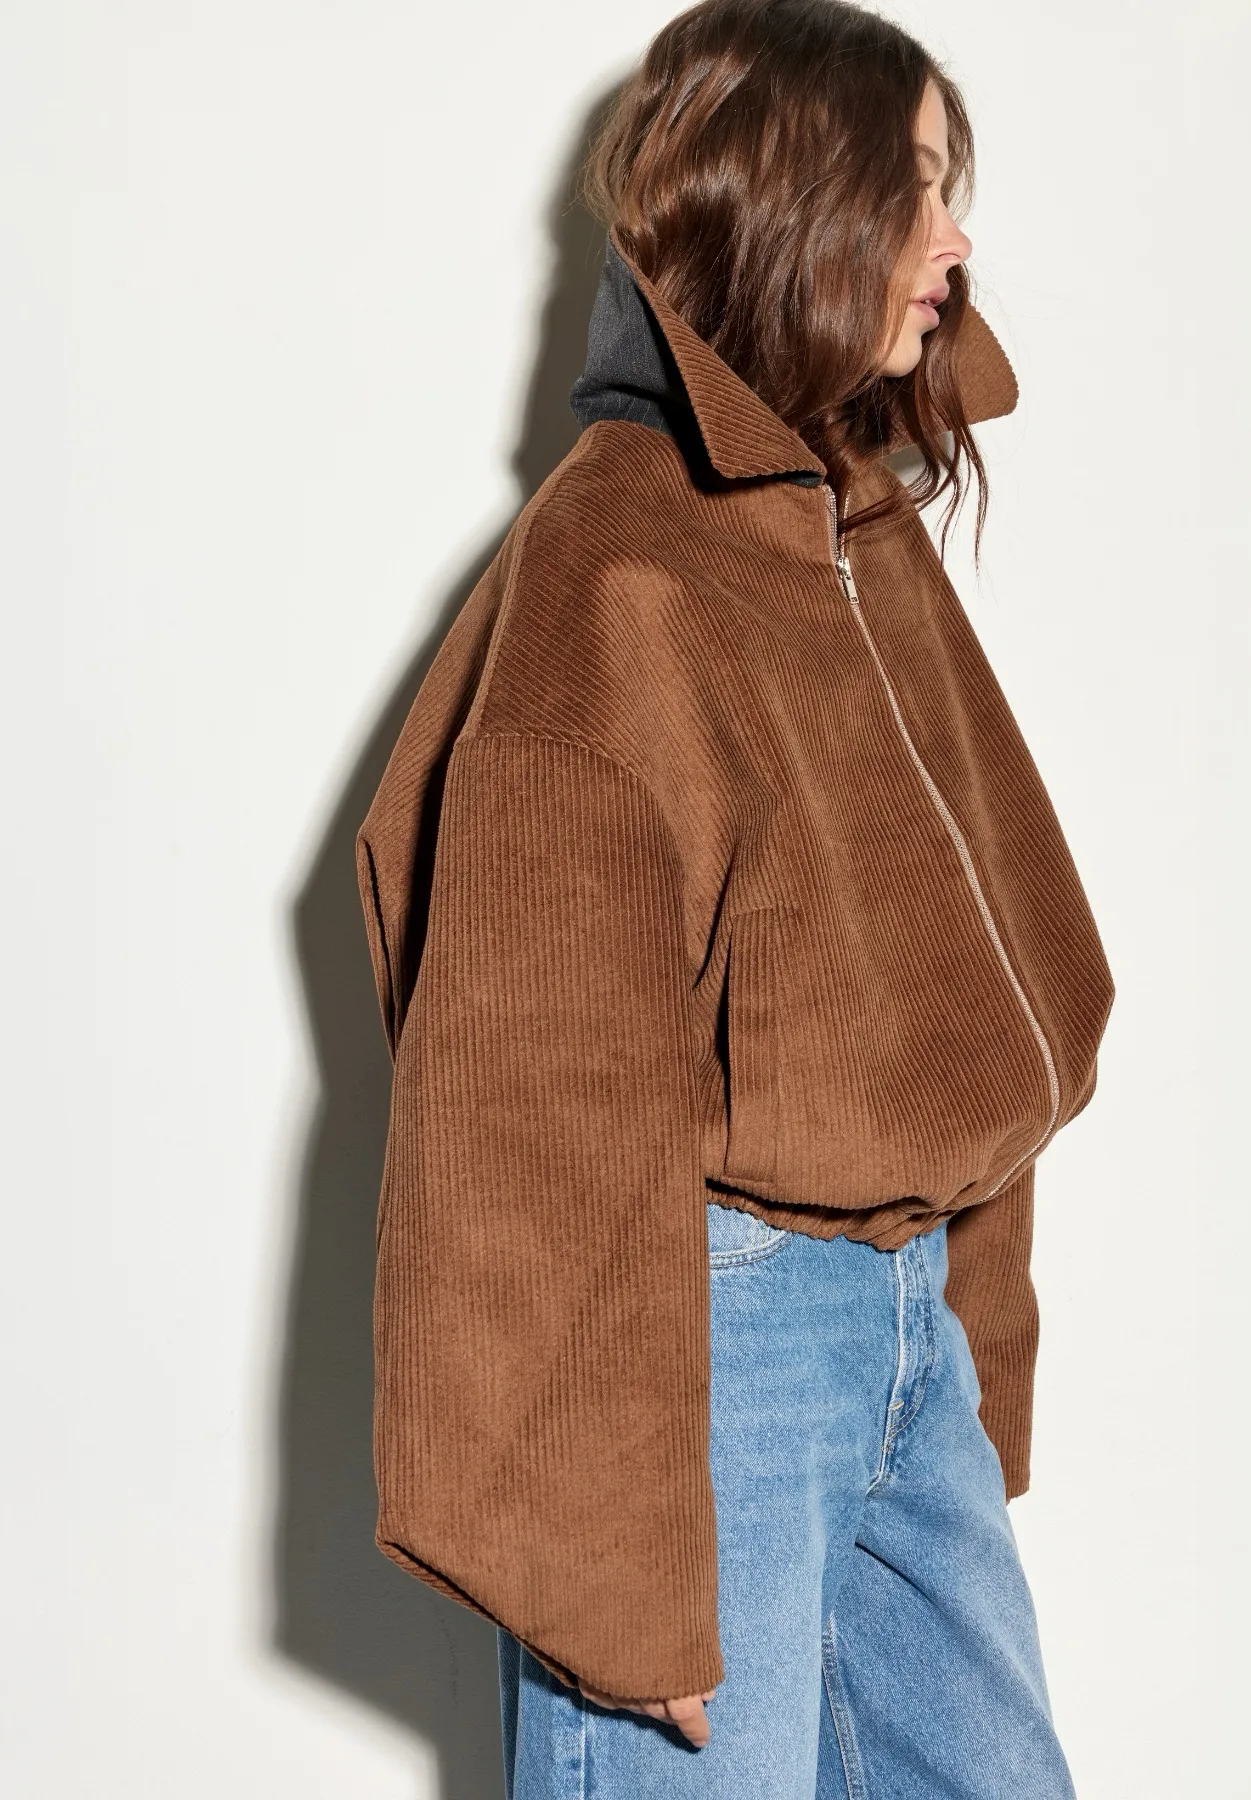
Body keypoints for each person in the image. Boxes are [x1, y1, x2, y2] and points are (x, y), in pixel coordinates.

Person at [355, 0, 1115, 1794]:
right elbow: (524, 1094)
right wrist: (596, 1547)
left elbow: (968, 976)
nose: (953, 239)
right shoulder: (617, 563)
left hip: (899, 1327)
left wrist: (965, 1339)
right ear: (801, 205)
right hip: (712, 1355)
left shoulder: (856, 531)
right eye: (911, 187)